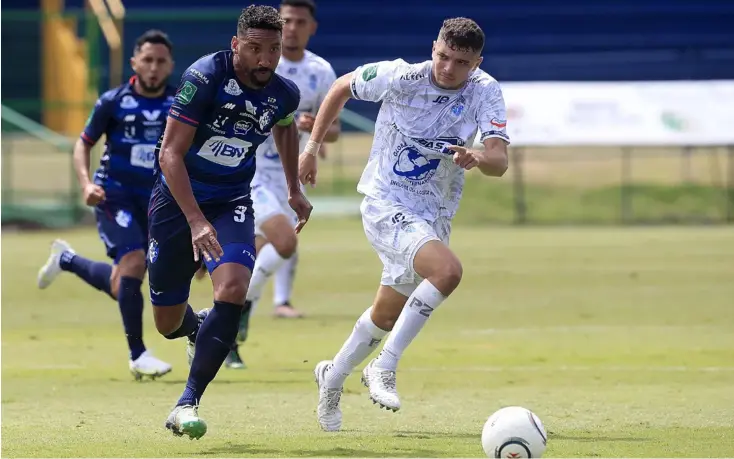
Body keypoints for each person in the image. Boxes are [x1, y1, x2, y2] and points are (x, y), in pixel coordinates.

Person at [298, 17, 510, 432]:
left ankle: (332, 377)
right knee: (447, 271)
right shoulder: (400, 77)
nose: (449, 68)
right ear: (434, 47)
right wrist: (312, 147)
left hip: (434, 214)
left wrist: (477, 157)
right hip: (385, 202)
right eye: (444, 57)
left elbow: (499, 162)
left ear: (477, 62)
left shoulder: (486, 91)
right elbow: (342, 85)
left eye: (462, 63)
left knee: (386, 314)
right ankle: (385, 367)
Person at [147, 5, 312, 439]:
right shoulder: (205, 77)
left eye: (273, 50)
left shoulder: (284, 93)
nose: (265, 60)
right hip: (176, 203)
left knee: (234, 288)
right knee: (166, 323)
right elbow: (169, 154)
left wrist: (294, 189)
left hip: (232, 201)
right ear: (236, 44)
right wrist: (196, 221)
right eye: (255, 49)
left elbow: (286, 127)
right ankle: (198, 329)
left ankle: (186, 402)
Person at [37, 30, 176, 380]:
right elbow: (83, 144)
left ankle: (67, 260)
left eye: (161, 61)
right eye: (147, 60)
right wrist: (86, 183)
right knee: (133, 263)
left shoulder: (180, 104)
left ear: (170, 64)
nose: (154, 67)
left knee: (125, 282)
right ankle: (138, 354)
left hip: (158, 200)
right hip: (114, 193)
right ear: (134, 63)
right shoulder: (113, 102)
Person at [222, 0, 340, 369]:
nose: (291, 27)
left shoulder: (320, 72)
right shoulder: (259, 60)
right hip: (253, 171)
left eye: (299, 21)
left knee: (255, 258)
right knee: (285, 243)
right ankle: (232, 315)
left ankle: (230, 321)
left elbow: (333, 129)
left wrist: (314, 132)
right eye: (286, 20)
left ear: (311, 28)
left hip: (289, 174)